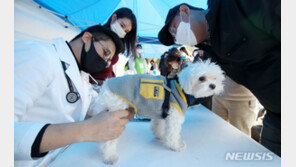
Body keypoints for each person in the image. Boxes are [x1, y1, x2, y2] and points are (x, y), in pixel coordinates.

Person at [158, 1, 281, 156]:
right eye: (174, 37)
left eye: (174, 28)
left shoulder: (233, 7)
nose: (177, 36)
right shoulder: (211, 51)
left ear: (184, 11)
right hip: (275, 114)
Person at [14, 25, 134, 166]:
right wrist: (87, 130)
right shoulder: (39, 54)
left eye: (108, 61)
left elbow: (93, 106)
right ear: (87, 38)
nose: (105, 63)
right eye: (105, 52)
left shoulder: (82, 76)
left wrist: (122, 104)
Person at [90, 8, 137, 84]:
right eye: (122, 25)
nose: (122, 31)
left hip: (108, 84)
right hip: (94, 86)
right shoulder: (97, 36)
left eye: (126, 31)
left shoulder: (116, 42)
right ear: (114, 17)